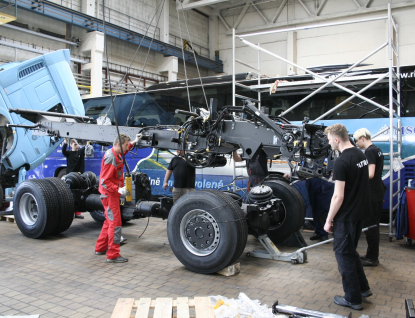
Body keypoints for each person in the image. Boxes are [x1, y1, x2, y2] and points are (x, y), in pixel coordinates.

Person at [323, 123, 371, 311]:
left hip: (347, 216)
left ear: (336, 139)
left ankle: (353, 298)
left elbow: (338, 196)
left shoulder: (342, 161)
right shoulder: (360, 155)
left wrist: (328, 220)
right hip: (360, 213)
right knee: (351, 252)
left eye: (329, 140)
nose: (329, 143)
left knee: (344, 255)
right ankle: (364, 289)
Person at [95, 133, 141, 263]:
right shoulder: (111, 158)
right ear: (118, 144)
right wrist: (118, 189)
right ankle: (113, 254)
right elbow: (105, 181)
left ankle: (100, 247)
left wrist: (135, 141)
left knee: (108, 222)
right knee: (115, 224)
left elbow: (124, 152)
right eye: (126, 145)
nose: (127, 148)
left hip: (110, 195)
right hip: (110, 195)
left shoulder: (117, 154)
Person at [353, 128, 385, 267]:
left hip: (372, 191)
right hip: (378, 189)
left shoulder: (370, 151)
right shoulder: (377, 149)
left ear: (362, 138)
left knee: (371, 225)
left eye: (357, 140)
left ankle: (372, 258)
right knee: (374, 224)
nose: (356, 144)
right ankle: (371, 255)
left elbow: (370, 173)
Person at [62, 138, 86, 219]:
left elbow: (84, 146)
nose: (76, 146)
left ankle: (77, 213)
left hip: (78, 176)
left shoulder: (80, 152)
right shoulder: (69, 153)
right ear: (71, 145)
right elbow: (63, 151)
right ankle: (70, 213)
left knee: (78, 194)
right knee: (70, 195)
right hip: (70, 177)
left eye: (77, 144)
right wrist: (65, 142)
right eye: (75, 144)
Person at [306, 177, 334, 241]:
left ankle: (324, 233)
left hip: (325, 180)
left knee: (324, 208)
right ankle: (318, 231)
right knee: (314, 207)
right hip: (312, 179)